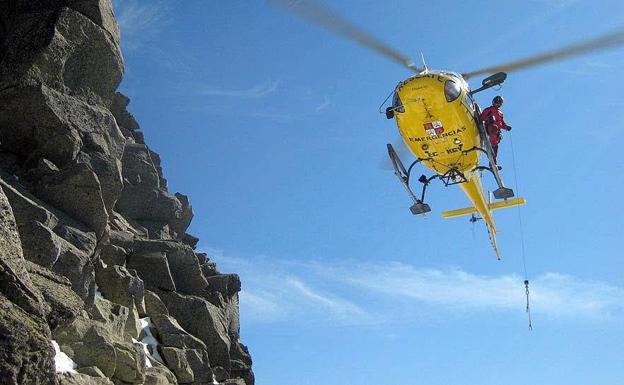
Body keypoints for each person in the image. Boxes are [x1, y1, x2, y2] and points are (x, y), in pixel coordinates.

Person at [480, 95, 511, 163]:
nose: (498, 104)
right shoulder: (489, 109)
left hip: (496, 132)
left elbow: (502, 123)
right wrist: (483, 120)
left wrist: (507, 127)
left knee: (496, 146)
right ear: (494, 102)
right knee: (494, 128)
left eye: (499, 103)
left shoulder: (500, 113)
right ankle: (492, 143)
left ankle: (493, 161)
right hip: (490, 128)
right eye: (497, 102)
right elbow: (482, 117)